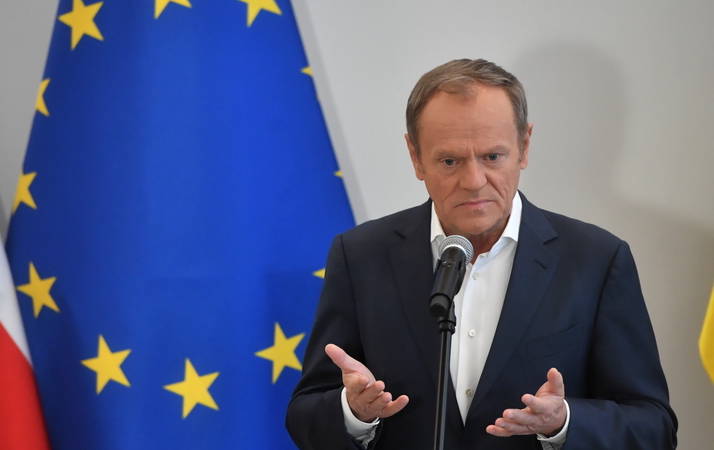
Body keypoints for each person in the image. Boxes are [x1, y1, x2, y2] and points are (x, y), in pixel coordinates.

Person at [286, 59, 677, 450]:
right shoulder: (360, 256)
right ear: (415, 156)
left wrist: (563, 424)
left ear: (524, 147)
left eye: (492, 157)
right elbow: (304, 416)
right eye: (450, 161)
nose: (473, 182)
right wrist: (354, 413)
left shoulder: (597, 260)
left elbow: (654, 427)